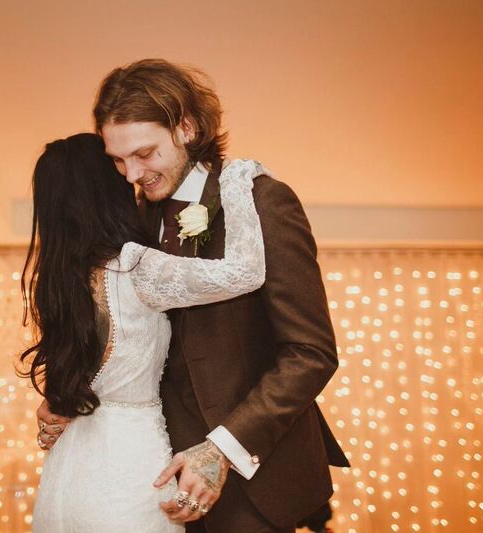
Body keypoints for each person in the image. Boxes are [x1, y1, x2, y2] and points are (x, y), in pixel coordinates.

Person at [37, 59, 349, 532]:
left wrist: (221, 449)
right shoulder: (129, 221)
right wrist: (70, 396)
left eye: (144, 153)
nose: (130, 174)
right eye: (117, 160)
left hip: (252, 482)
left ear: (187, 126)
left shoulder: (261, 202)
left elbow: (311, 353)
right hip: (153, 482)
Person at [22, 132, 267, 532]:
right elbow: (245, 273)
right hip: (128, 470)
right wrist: (238, 179)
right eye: (119, 170)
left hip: (69, 473)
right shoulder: (133, 268)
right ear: (107, 190)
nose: (132, 175)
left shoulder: (57, 283)